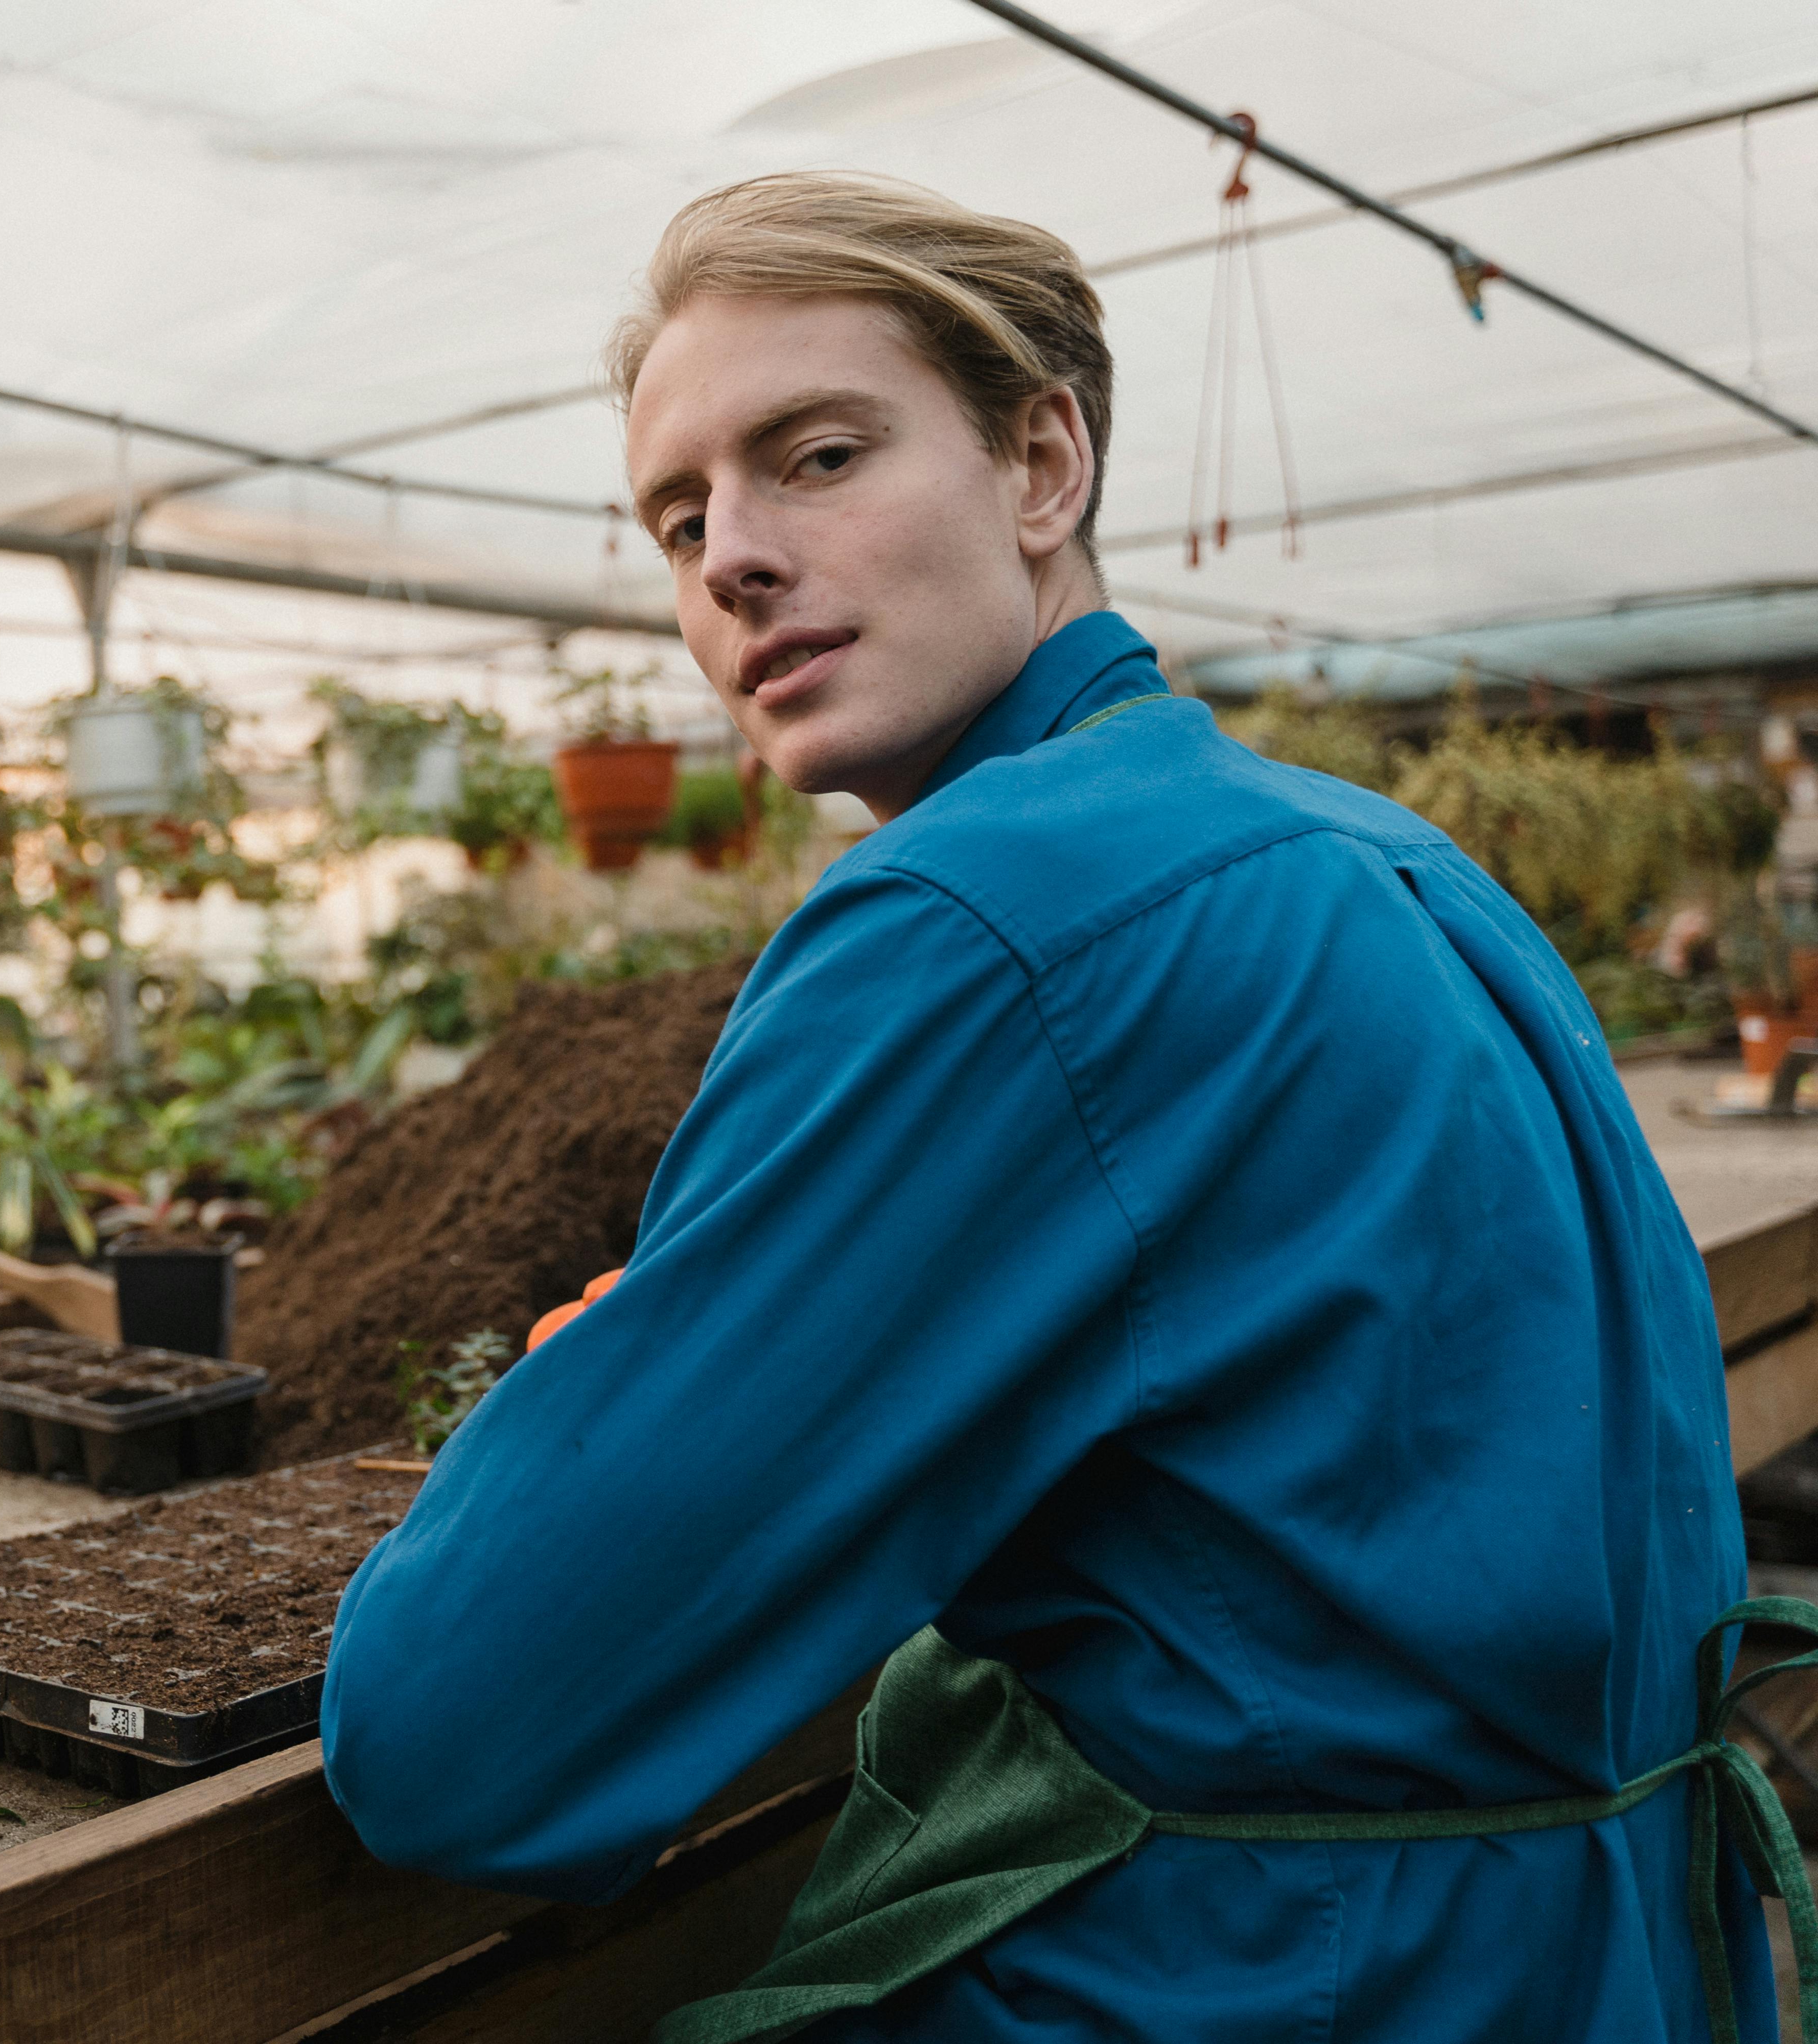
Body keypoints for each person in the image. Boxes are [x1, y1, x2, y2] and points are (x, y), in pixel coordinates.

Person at [318, 172, 1804, 2042]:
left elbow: (461, 1738)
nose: (733, 560)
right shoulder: (1388, 855)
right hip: (1607, 1964)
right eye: (679, 518)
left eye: (822, 456)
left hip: (1274, 1980)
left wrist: (564, 1419)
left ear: (1042, 466)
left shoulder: (988, 920)